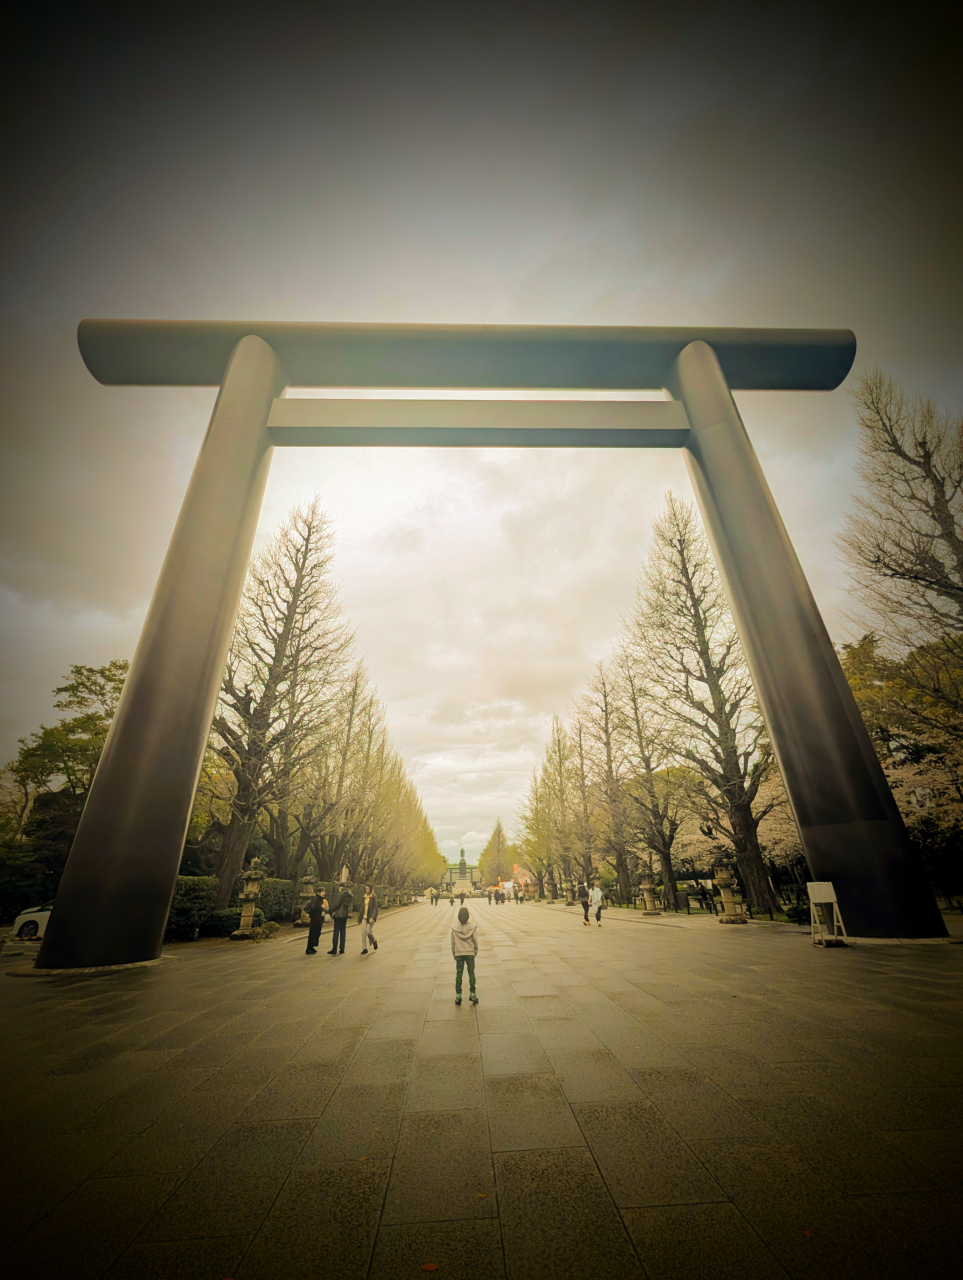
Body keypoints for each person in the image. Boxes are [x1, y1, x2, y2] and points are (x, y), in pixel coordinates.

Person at [451, 905, 479, 1005]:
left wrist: (454, 953)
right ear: (468, 916)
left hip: (459, 953)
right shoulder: (472, 927)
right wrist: (475, 951)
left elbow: (453, 942)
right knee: (471, 973)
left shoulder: (454, 927)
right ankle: (472, 993)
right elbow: (475, 941)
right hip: (469, 952)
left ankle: (458, 995)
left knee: (459, 973)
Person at [327, 883, 353, 954]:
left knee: (336, 931)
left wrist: (331, 910)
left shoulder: (341, 894)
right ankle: (342, 948)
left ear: (341, 887)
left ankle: (334, 948)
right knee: (343, 931)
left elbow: (337, 904)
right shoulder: (349, 894)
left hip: (338, 914)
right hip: (345, 914)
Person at [304, 889, 329, 954]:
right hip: (315, 919)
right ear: (318, 892)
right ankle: (309, 947)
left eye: (324, 892)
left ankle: (312, 947)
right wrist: (321, 907)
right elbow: (314, 908)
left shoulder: (321, 899)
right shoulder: (316, 899)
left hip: (318, 918)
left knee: (317, 933)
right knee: (313, 933)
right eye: (322, 892)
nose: (324, 893)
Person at [359, 883, 379, 954]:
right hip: (364, 917)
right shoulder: (364, 896)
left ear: (370, 889)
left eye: (367, 889)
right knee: (363, 932)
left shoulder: (373, 897)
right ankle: (364, 948)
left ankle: (374, 941)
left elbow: (375, 908)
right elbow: (362, 907)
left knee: (368, 931)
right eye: (365, 889)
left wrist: (373, 917)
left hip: (370, 917)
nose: (366, 890)